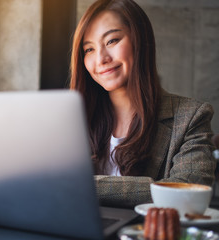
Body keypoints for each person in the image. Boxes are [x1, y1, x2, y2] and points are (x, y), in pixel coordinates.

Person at [70, 0, 216, 208]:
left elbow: (187, 190)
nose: (101, 58)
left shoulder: (191, 116)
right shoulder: (73, 119)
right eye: (89, 49)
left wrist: (83, 186)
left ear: (140, 40)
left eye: (112, 41)